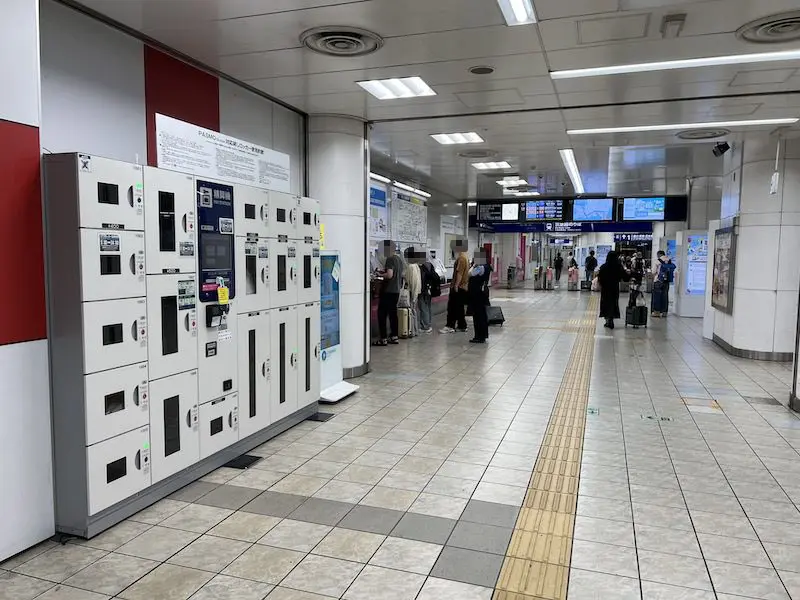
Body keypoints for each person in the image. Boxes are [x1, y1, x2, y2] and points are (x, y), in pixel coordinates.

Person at [375, 240, 404, 346]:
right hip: (396, 291)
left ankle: (383, 339)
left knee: (382, 314)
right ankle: (394, 336)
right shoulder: (399, 259)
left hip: (388, 291)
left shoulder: (390, 259)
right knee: (393, 315)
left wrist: (379, 274)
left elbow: (390, 275)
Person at [440, 239, 469, 333]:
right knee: (459, 308)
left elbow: (459, 273)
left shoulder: (461, 258)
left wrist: (456, 285)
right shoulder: (465, 257)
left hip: (458, 287)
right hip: (463, 287)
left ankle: (450, 326)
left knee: (452, 307)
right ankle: (462, 325)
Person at [597, 251, 630, 329]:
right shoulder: (618, 266)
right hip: (614, 287)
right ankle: (611, 318)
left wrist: (602, 284)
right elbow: (625, 277)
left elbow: (600, 278)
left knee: (606, 303)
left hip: (605, 288)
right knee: (613, 302)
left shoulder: (604, 266)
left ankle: (607, 319)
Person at [467, 249, 492, 344]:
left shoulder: (481, 267)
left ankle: (479, 336)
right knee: (482, 315)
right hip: (482, 294)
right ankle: (483, 335)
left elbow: (470, 273)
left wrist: (473, 265)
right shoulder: (487, 266)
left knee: (478, 316)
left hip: (477, 294)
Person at [651, 250, 676, 318]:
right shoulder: (669, 260)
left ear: (659, 254)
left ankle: (657, 312)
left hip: (658, 281)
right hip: (667, 281)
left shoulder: (658, 261)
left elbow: (653, 272)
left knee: (657, 296)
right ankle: (664, 312)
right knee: (665, 296)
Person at [418, 251, 437, 333]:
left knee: (423, 307)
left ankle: (425, 327)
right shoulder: (430, 265)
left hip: (423, 290)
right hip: (429, 289)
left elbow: (421, 279)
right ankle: (428, 324)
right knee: (428, 307)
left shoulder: (422, 267)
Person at [404, 247, 421, 338]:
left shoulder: (411, 266)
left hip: (411, 293)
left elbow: (414, 282)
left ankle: (412, 331)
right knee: (413, 312)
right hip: (416, 292)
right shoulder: (416, 266)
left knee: (411, 312)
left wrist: (413, 296)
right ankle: (414, 330)